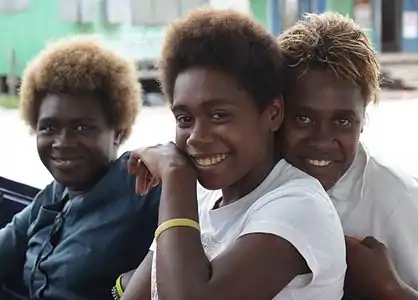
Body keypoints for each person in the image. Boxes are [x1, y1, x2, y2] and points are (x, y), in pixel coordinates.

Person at [120, 8, 346, 300]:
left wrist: (176, 176)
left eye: (218, 115)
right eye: (184, 119)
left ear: (272, 114)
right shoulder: (202, 201)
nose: (197, 138)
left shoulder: (299, 206)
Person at [278, 12, 418, 300]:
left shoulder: (396, 199)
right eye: (303, 118)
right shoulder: (254, 179)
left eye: (343, 121)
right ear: (276, 113)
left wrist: (388, 289)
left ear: (363, 120)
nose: (322, 140)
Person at [0, 36, 161, 299]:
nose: (63, 143)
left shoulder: (144, 183)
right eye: (49, 127)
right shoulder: (54, 195)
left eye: (82, 127)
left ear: (118, 132)